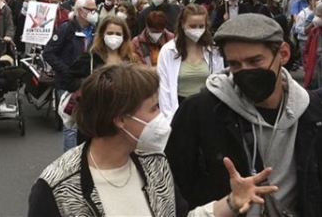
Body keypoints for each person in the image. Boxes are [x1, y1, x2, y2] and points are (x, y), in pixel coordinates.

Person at [28, 64, 278, 217]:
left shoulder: (154, 162)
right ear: (121, 119)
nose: (161, 117)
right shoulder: (58, 186)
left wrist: (232, 203)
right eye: (153, 108)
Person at [166, 13, 322, 216]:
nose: (245, 72)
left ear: (283, 54)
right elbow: (175, 185)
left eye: (255, 61)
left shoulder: (313, 111)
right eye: (235, 64)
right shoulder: (200, 111)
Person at [63, 15, 141, 146]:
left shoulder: (132, 60)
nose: (114, 37)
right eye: (110, 33)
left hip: (123, 119)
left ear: (125, 37)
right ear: (102, 35)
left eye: (118, 34)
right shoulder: (89, 58)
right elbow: (69, 81)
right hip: (93, 119)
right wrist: (93, 85)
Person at [43, 0, 97, 152]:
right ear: (80, 11)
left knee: (89, 125)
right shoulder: (66, 29)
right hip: (69, 84)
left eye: (95, 9)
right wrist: (68, 71)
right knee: (71, 125)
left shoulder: (96, 30)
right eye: (90, 9)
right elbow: (49, 53)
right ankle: (69, 164)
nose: (94, 13)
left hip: (90, 83)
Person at [157, 4, 224, 120]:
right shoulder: (168, 51)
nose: (197, 30)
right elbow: (164, 88)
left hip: (207, 110)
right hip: (179, 109)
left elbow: (220, 82)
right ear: (182, 24)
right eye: (192, 26)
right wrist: (169, 119)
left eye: (201, 26)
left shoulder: (213, 51)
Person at [303, 1, 322, 89]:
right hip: (314, 75)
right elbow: (306, 50)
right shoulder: (314, 31)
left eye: (319, 15)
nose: (317, 18)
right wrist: (308, 64)